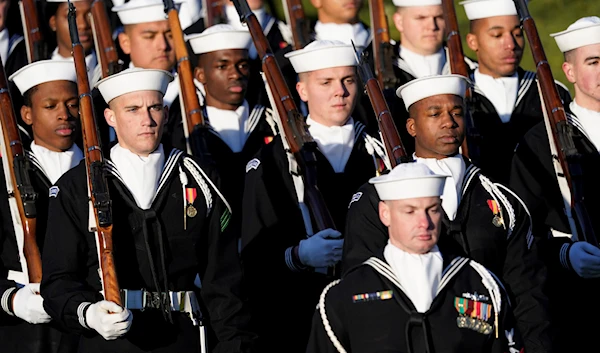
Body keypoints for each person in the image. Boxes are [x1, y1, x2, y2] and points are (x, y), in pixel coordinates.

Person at [40, 68, 256, 353]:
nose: (147, 120)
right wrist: (87, 313)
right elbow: (57, 281)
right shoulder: (77, 187)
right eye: (132, 109)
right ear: (110, 117)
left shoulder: (200, 179)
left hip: (184, 336)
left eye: (154, 107)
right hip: (110, 340)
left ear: (166, 114)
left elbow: (224, 282)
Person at [342, 74, 552, 353]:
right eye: (434, 113)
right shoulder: (377, 197)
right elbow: (361, 285)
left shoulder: (502, 202)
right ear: (411, 126)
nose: (449, 122)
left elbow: (528, 292)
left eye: (457, 112)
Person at [241, 39, 387, 353]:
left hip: (375, 316)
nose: (340, 91)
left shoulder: (382, 155)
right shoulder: (271, 161)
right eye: (326, 82)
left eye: (348, 80)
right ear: (302, 90)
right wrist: (297, 256)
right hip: (300, 320)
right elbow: (254, 259)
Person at [307, 162, 524, 353]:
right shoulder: (344, 296)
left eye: (432, 210)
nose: (424, 223)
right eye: (410, 211)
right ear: (385, 214)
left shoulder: (482, 286)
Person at [509, 16, 600, 352]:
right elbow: (523, 234)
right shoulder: (538, 144)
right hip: (575, 311)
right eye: (594, 61)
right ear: (569, 71)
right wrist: (565, 254)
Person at [0, 60, 82, 353]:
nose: (65, 115)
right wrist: (10, 299)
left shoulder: (100, 174)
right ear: (27, 115)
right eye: (50, 106)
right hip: (21, 329)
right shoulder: (5, 176)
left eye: (73, 105)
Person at [460, 0, 572, 183]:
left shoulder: (552, 91)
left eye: (518, 34)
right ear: (472, 41)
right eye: (497, 35)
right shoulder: (455, 95)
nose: (511, 44)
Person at [169, 24, 277, 210]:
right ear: (200, 75)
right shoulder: (183, 133)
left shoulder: (270, 123)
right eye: (222, 66)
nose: (235, 74)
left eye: (242, 65)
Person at [43, 0, 101, 85]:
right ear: (53, 22)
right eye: (71, 16)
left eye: (90, 15)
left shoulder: (110, 71)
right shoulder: (40, 74)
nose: (83, 25)